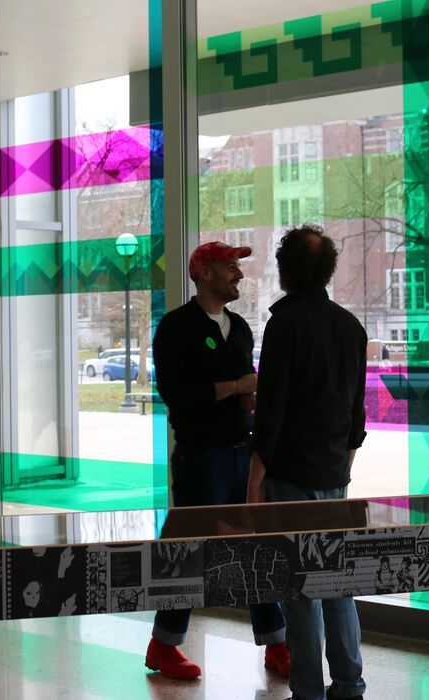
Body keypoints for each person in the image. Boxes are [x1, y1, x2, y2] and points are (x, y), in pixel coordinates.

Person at [144, 240, 290, 681]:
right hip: (199, 459)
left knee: (256, 549)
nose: (239, 274)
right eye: (230, 266)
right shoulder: (176, 328)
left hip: (240, 454)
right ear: (203, 272)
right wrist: (234, 386)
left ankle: (277, 644)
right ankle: (164, 646)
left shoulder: (241, 328)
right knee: (188, 554)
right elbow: (176, 395)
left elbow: (240, 390)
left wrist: (249, 398)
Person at [248, 225, 368, 700]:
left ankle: (308, 692)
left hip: (290, 476)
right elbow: (357, 415)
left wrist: (255, 481)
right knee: (338, 585)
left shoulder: (284, 325)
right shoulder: (350, 326)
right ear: (328, 271)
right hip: (333, 476)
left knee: (298, 590)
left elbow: (271, 414)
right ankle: (349, 684)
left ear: (285, 271)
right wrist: (343, 467)